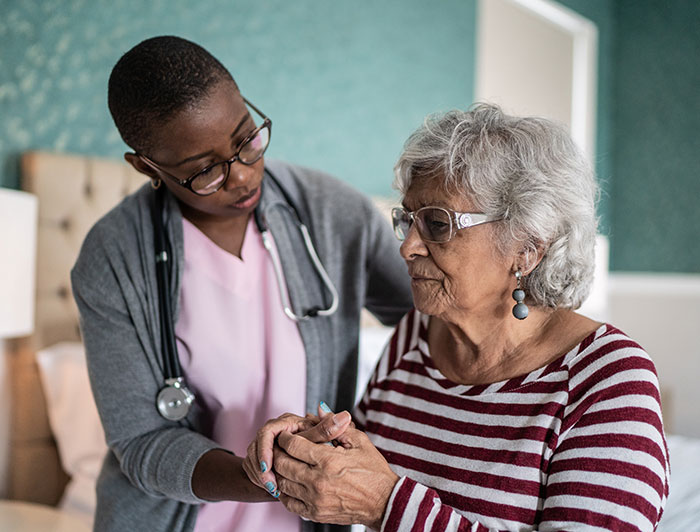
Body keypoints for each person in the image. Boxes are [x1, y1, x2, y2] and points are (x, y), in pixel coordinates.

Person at [244, 104, 671, 531]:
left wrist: (386, 507)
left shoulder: (609, 380)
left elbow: (378, 495)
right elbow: (363, 468)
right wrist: (309, 444)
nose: (407, 247)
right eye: (407, 220)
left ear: (526, 247)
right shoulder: (417, 334)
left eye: (436, 223)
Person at [70, 35, 412, 532]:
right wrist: (267, 475)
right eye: (205, 171)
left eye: (246, 139)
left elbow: (432, 319)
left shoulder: (335, 213)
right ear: (147, 167)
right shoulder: (113, 258)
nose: (242, 178)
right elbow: (142, 442)